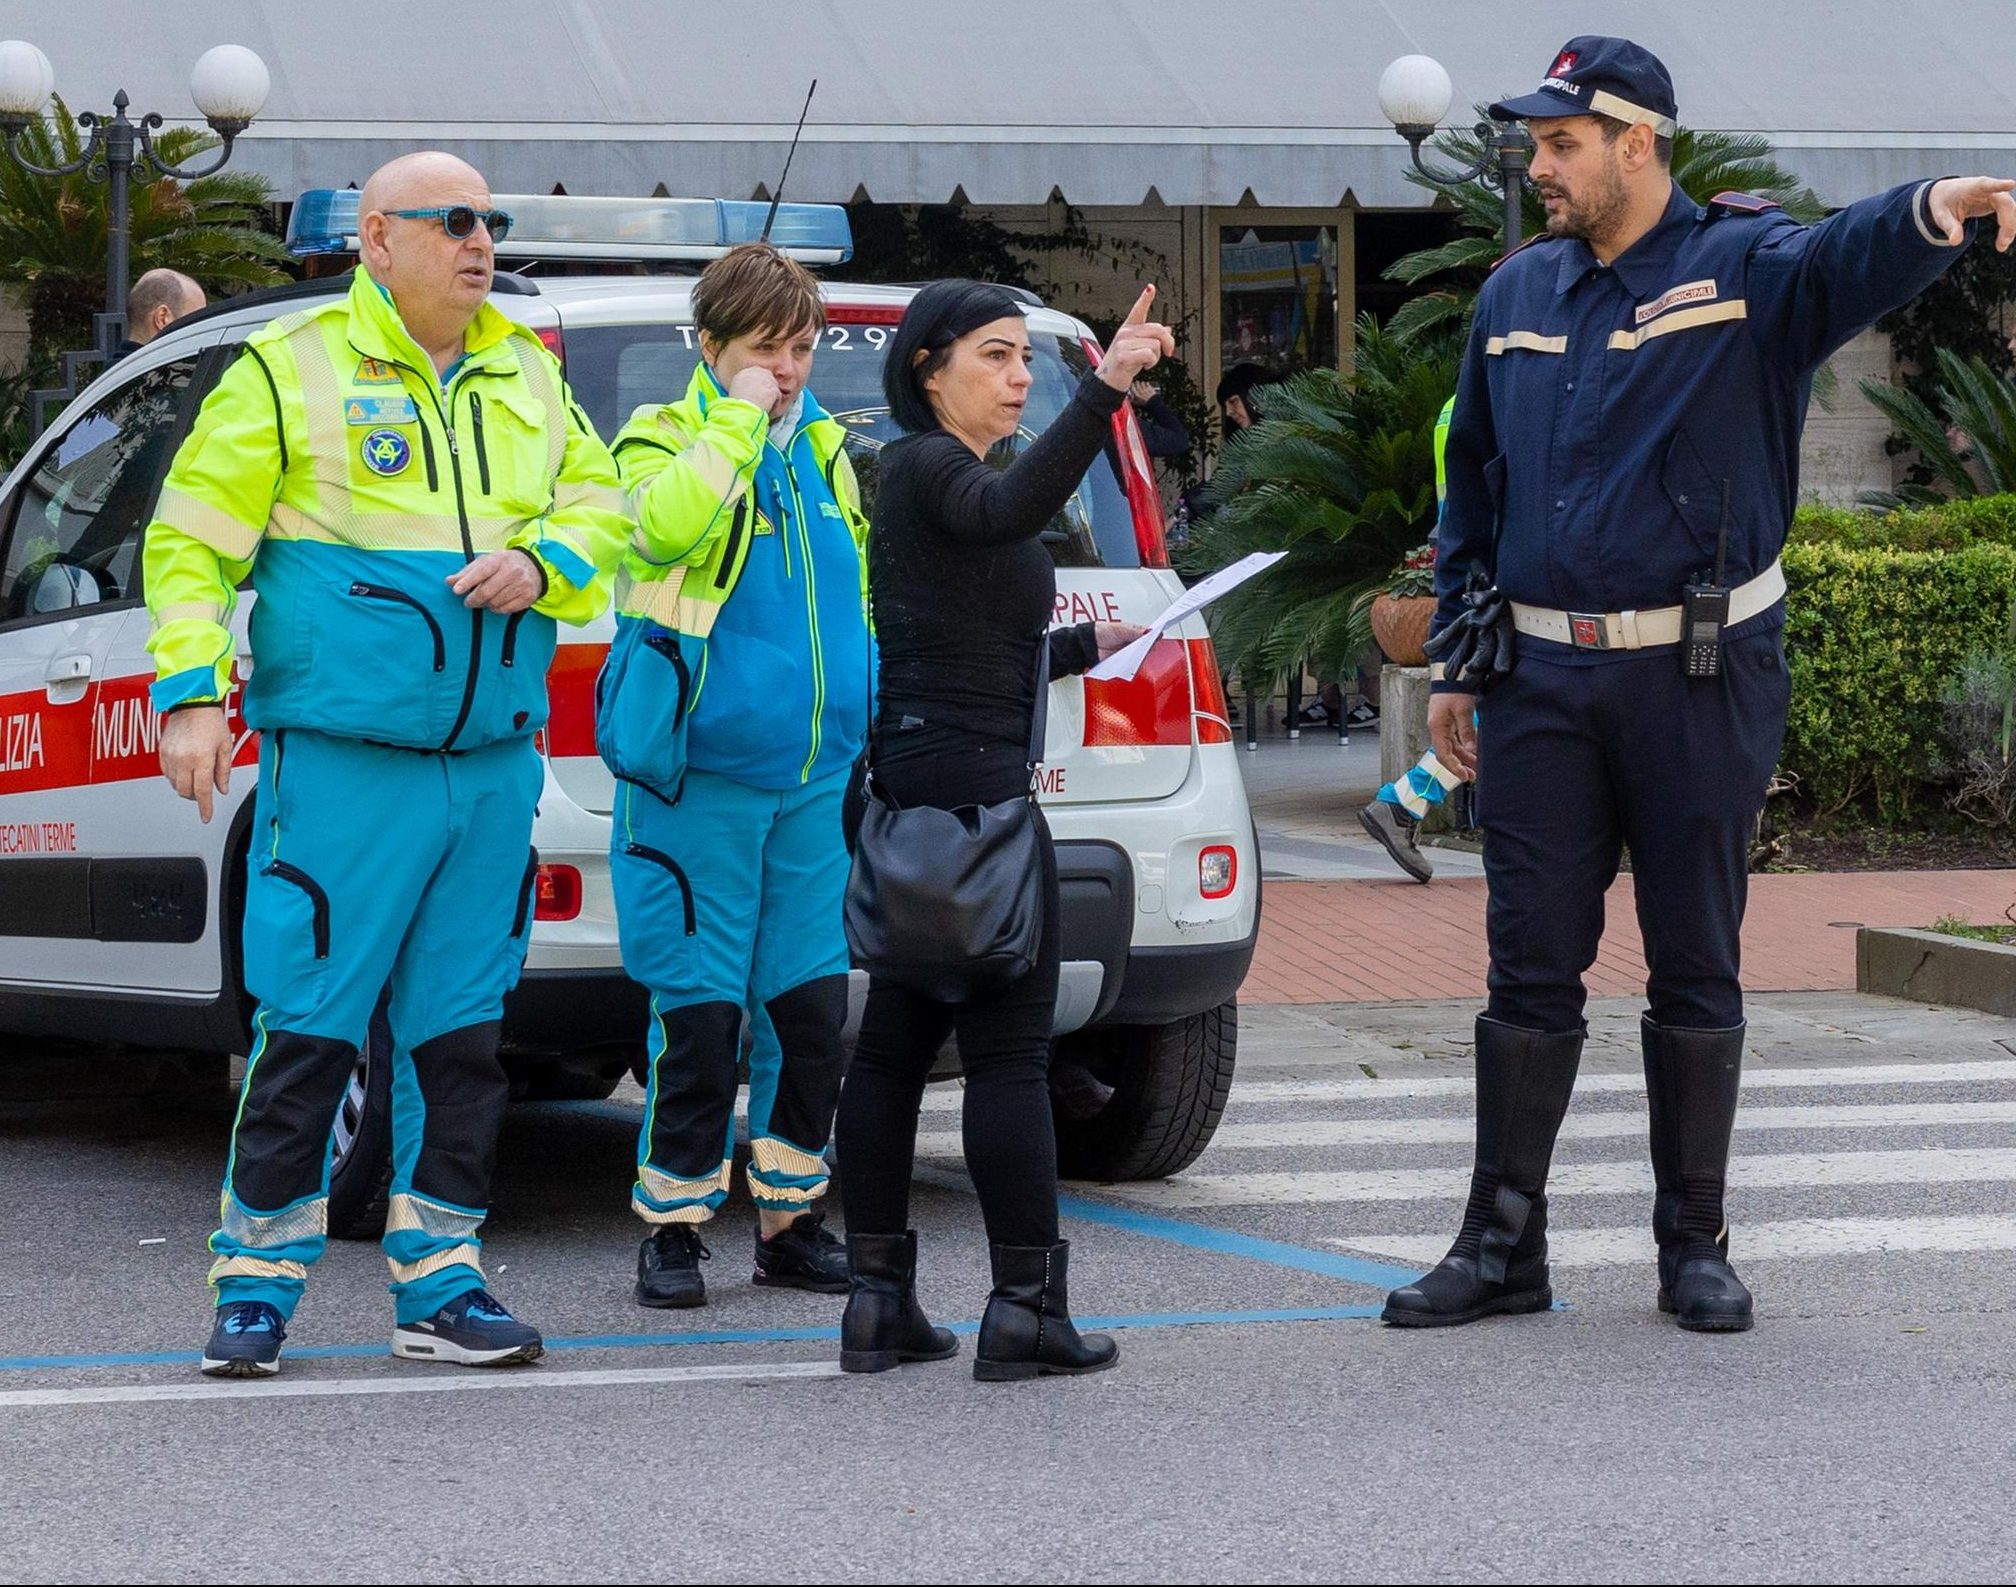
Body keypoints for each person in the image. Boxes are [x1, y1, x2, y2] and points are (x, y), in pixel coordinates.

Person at [1382, 35, 2016, 1336]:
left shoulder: (1744, 271)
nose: (1541, 163)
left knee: (1695, 960)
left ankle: (1694, 1244)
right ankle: (1502, 1242)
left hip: (1700, 670)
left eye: (1564, 142)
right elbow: (1475, 496)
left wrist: (1931, 211)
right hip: (1543, 679)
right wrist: (1461, 653)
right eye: (1538, 143)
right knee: (1528, 966)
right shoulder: (1514, 298)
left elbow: (1847, 258)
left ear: (1639, 143)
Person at [148, 152, 629, 1377]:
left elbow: (604, 506)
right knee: (308, 1029)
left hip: (489, 767)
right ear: (377, 239)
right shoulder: (288, 368)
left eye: (491, 220)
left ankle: (443, 1284)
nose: (481, 239)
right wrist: (192, 696)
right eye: (453, 220)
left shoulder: (527, 371)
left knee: (462, 1039)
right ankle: (256, 1285)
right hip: (347, 765)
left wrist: (549, 565)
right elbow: (191, 540)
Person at [832, 278, 1161, 1380]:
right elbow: (1010, 518)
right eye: (997, 356)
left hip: (930, 779)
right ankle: (1025, 1311)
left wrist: (1082, 648)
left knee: (893, 1046)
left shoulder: (943, 480)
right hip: (967, 795)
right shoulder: (927, 465)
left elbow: (960, 638)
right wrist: (1104, 389)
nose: (1022, 376)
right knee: (1009, 1055)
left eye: (1030, 359)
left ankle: (880, 1304)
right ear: (930, 369)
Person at [605, 242, 871, 1308]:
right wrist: (735, 421)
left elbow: (850, 594)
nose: (789, 369)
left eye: (802, 347)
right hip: (698, 777)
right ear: (709, 347)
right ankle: (671, 1228)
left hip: (811, 779)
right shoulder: (661, 436)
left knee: (809, 1017)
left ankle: (789, 1220)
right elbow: (664, 527)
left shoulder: (828, 450)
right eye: (766, 348)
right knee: (701, 1020)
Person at [1361, 395, 1459, 883]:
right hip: (1490, 564)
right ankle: (1402, 803)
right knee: (1515, 701)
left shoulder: (1452, 404)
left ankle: (1404, 804)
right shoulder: (1504, 393)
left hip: (1463, 554)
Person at [115, 268, 206, 360]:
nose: (201, 332)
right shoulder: (161, 372)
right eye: (195, 321)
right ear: (162, 318)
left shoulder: (120, 371)